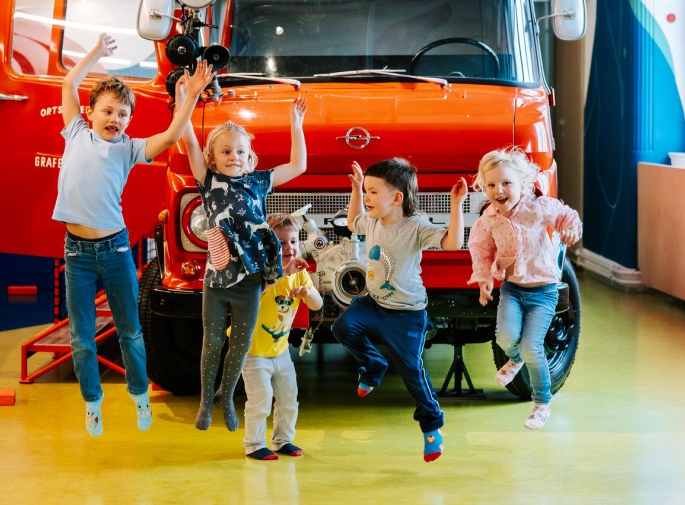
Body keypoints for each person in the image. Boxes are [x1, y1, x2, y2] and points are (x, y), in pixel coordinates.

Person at [54, 33, 213, 437]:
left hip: (115, 248)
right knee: (82, 337)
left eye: (123, 114)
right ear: (90, 113)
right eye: (108, 111)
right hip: (77, 252)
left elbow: (172, 135)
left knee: (130, 330)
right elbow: (69, 83)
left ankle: (140, 394)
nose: (115, 119)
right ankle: (92, 403)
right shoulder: (75, 133)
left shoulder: (128, 148)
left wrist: (191, 95)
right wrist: (96, 53)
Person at [182, 93, 307, 431]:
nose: (233, 157)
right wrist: (187, 99)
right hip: (217, 280)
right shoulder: (208, 181)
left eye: (240, 152)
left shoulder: (258, 181)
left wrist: (296, 124)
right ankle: (206, 401)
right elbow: (188, 139)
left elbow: (298, 166)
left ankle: (226, 397)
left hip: (250, 281)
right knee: (212, 343)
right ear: (212, 158)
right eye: (225, 152)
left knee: (239, 345)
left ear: (250, 157)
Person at [331, 158, 467, 462]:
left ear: (396, 198)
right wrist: (355, 188)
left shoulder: (414, 226)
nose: (367, 198)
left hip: (406, 314)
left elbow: (452, 244)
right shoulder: (372, 220)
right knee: (342, 327)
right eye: (366, 192)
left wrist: (456, 205)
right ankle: (374, 366)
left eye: (373, 192)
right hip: (374, 303)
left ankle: (432, 427)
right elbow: (353, 223)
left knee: (411, 370)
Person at [467, 147, 582, 430]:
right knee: (505, 338)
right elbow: (480, 249)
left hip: (544, 292)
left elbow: (567, 217)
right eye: (491, 185)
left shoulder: (539, 208)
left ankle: (541, 403)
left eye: (506, 183)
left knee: (532, 346)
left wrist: (570, 229)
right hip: (513, 290)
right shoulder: (488, 220)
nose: (499, 190)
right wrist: (484, 279)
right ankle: (515, 358)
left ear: (523, 184)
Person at [239, 213, 323, 460]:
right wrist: (284, 272)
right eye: (281, 243)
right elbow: (255, 294)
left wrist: (307, 292)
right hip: (253, 351)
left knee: (288, 399)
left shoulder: (299, 273)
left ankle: (283, 439)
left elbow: (317, 304)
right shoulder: (258, 272)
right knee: (261, 400)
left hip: (280, 351)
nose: (289, 247)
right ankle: (254, 444)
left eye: (294, 242)